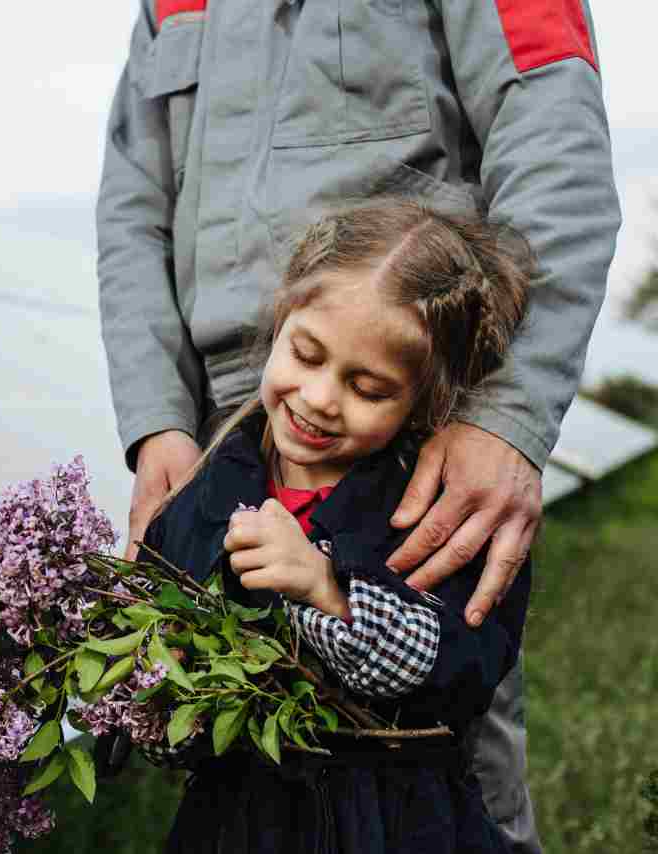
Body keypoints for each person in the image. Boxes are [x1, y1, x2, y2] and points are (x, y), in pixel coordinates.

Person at [96, 2, 621, 849]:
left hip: (421, 437)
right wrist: (158, 422)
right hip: (222, 422)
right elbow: (132, 206)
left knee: (433, 774)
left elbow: (556, 151)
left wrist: (505, 415)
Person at [139, 199, 533, 852]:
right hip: (236, 820)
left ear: (426, 399)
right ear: (280, 321)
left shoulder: (435, 509)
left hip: (391, 823)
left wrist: (327, 592)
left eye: (368, 389)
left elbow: (467, 668)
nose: (321, 398)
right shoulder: (219, 473)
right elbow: (161, 586)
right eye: (306, 354)